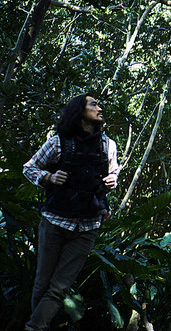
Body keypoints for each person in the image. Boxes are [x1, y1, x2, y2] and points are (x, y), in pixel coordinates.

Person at [22, 93, 119, 331]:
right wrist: (49, 176)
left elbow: (113, 173)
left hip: (87, 226)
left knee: (59, 288)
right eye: (93, 104)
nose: (99, 108)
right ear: (79, 111)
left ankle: (33, 328)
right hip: (55, 221)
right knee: (42, 284)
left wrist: (112, 180)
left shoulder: (108, 144)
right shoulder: (58, 142)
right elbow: (29, 167)